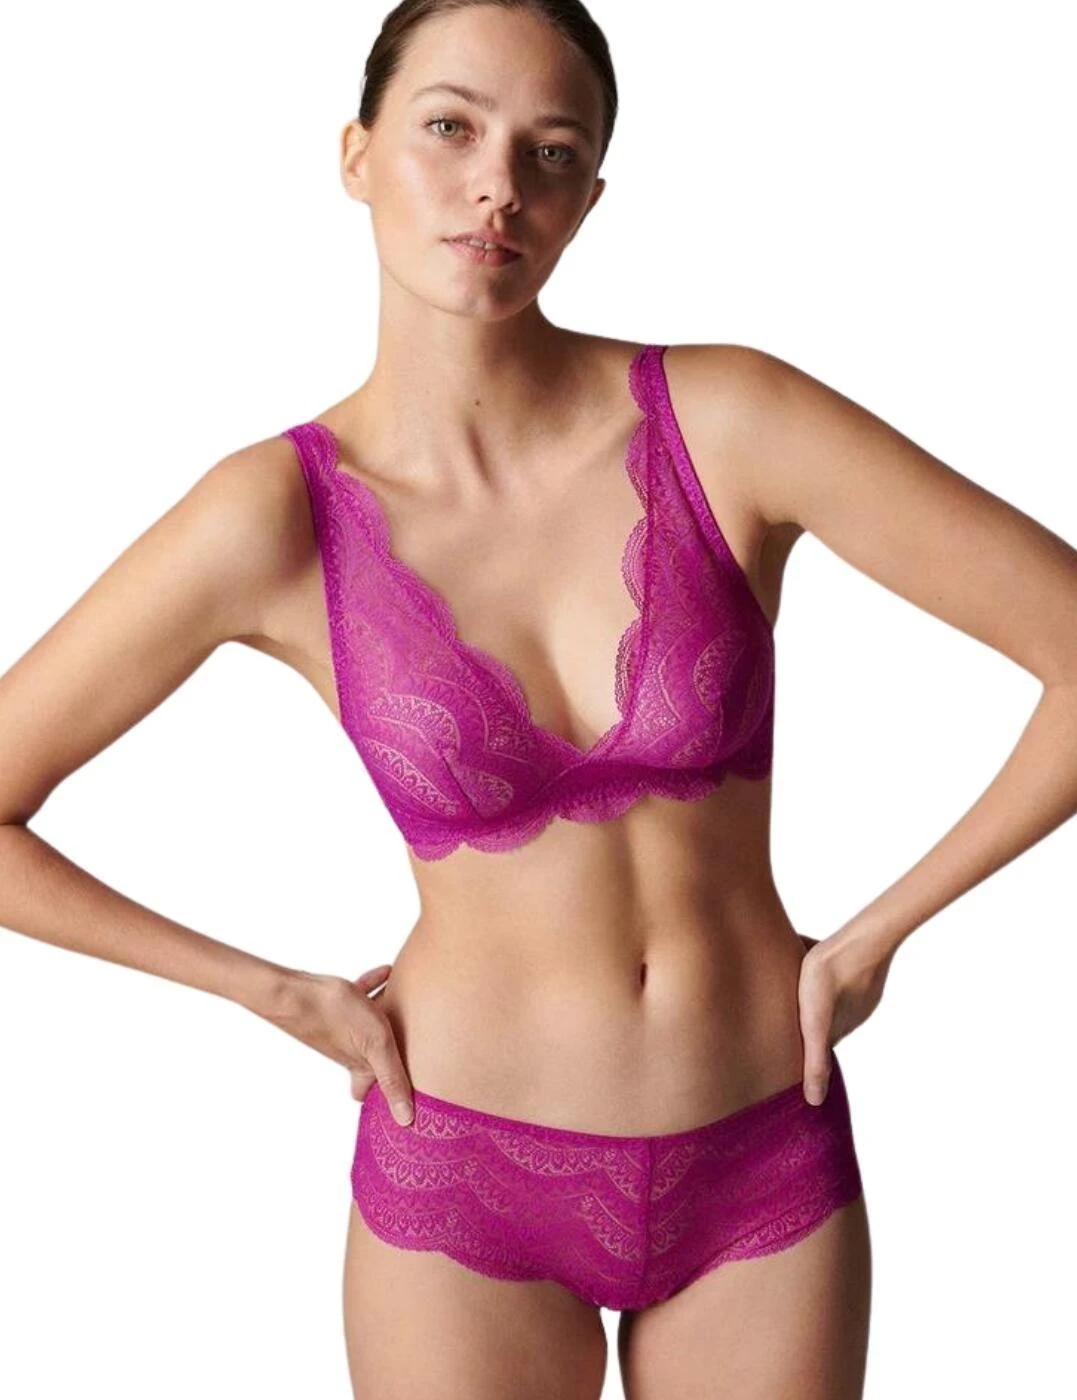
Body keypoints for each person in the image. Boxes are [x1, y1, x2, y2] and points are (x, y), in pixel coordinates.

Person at [2, 1, 1075, 1396]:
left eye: (550, 151)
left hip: (760, 1147)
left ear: (589, 197)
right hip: (463, 1177)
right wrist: (273, 994)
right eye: (449, 128)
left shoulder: (730, 419)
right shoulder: (272, 516)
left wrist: (880, 933)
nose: (497, 186)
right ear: (355, 154)